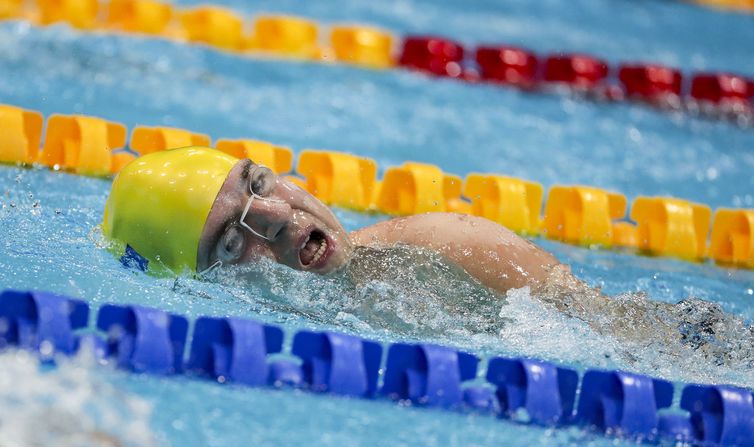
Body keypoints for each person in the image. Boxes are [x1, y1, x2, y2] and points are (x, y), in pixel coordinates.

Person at [103, 146, 565, 293]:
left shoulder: (447, 248)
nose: (279, 216)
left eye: (258, 184)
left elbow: (624, 333)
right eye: (230, 241)